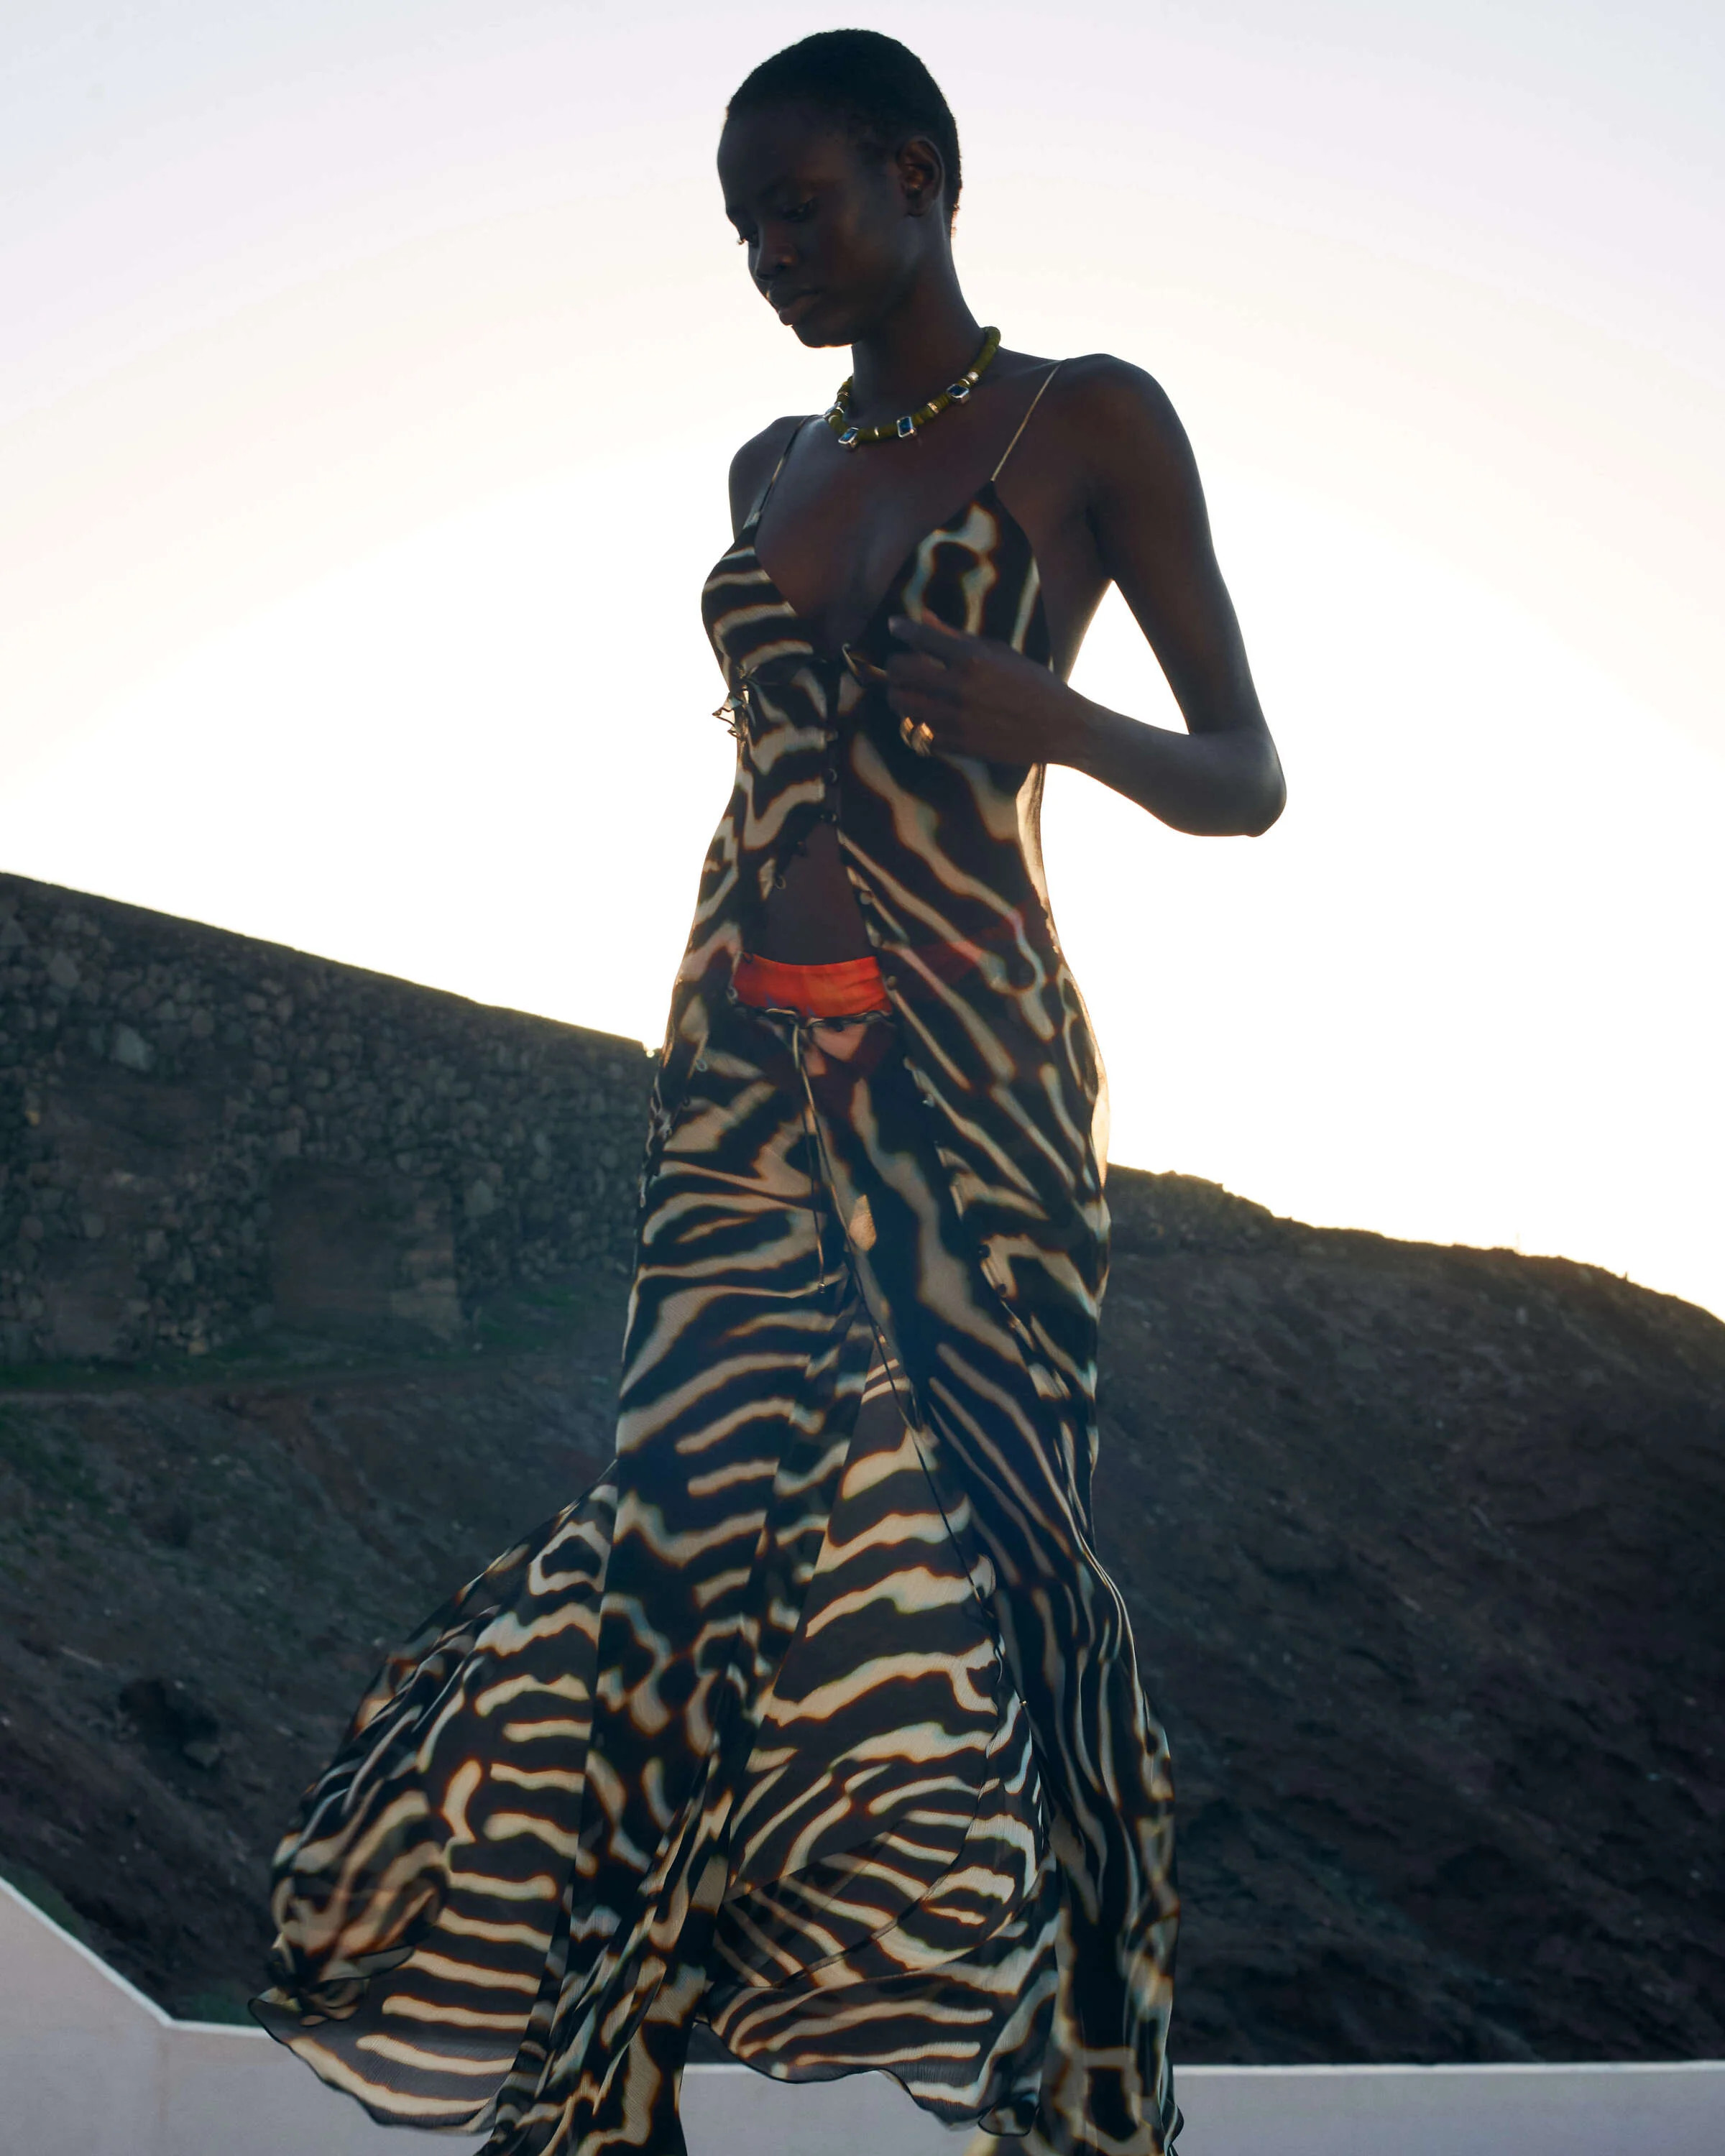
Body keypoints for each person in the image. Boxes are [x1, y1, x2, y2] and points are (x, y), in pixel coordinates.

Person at [254, 30, 1283, 2156]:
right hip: (739, 1056)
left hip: (971, 1063)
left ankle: (1083, 2095)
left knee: (1005, 1560)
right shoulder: (769, 464)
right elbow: (771, 759)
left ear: (920, 174)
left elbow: (1245, 777)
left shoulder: (1090, 417)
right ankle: (603, 2092)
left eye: (797, 208)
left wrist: (1048, 717)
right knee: (674, 1549)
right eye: (741, 230)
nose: (768, 258)